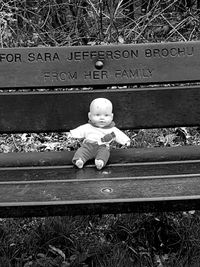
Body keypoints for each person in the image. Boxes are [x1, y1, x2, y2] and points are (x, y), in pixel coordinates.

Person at [69, 98, 130, 170]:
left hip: (102, 147)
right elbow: (79, 131)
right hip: (88, 146)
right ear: (90, 116)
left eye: (106, 115)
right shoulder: (88, 127)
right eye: (97, 115)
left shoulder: (112, 129)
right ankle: (79, 160)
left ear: (112, 116)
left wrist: (125, 141)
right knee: (81, 151)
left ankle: (100, 162)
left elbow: (119, 135)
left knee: (104, 153)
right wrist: (72, 134)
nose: (102, 118)